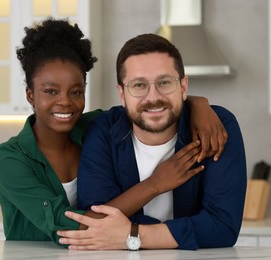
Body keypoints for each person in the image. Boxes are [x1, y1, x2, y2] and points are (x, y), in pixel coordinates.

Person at [0, 18, 228, 247]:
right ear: (30, 95)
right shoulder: (9, 160)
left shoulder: (96, 128)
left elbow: (143, 105)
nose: (65, 102)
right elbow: (70, 230)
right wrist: (155, 184)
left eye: (75, 92)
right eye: (51, 92)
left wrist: (198, 104)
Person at [58, 33, 247, 250]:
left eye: (165, 82)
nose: (153, 97)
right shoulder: (103, 132)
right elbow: (94, 222)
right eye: (138, 85)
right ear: (121, 93)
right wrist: (182, 225)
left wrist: (132, 234)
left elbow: (222, 228)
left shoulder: (217, 127)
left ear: (184, 87)